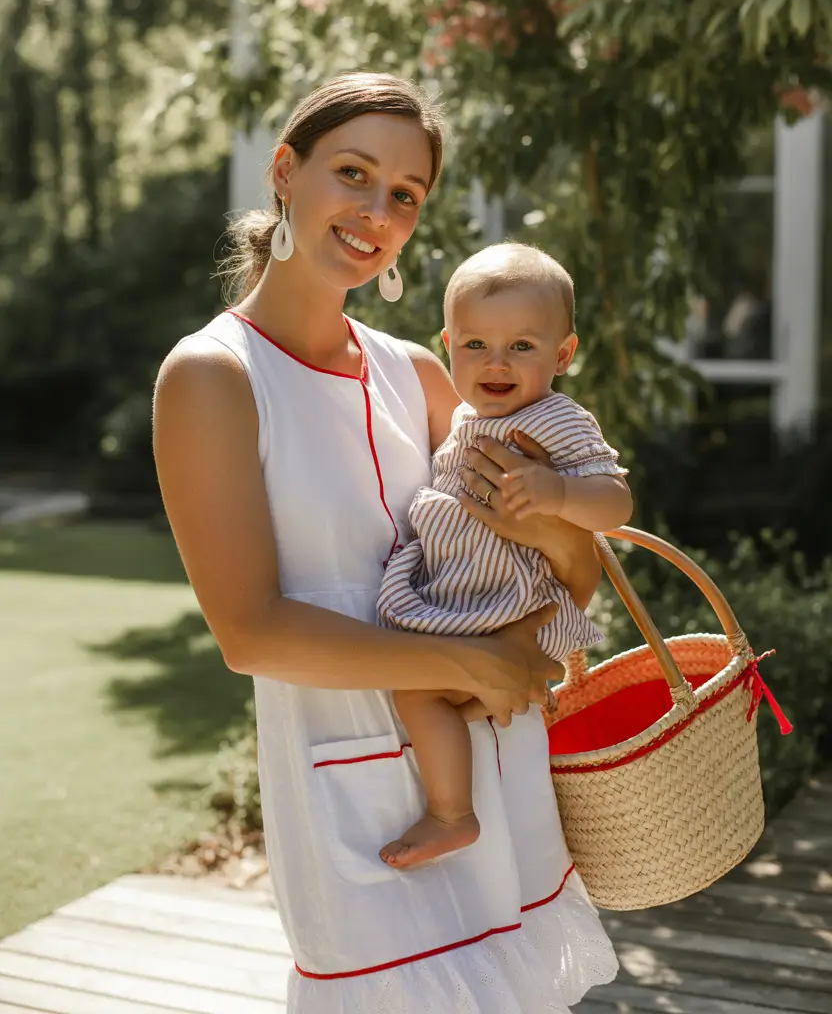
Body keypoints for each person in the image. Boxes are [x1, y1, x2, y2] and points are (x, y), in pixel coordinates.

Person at [153, 72, 619, 1012]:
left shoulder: (423, 374)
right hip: (353, 818)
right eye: (354, 173)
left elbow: (573, 567)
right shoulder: (213, 377)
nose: (376, 212)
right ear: (286, 171)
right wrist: (476, 662)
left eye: (404, 196)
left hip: (495, 779)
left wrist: (532, 606)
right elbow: (251, 634)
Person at [378, 244, 632, 869]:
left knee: (416, 691)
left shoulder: (556, 420)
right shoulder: (463, 416)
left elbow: (616, 504)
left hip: (511, 605)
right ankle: (463, 800)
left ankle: (450, 815)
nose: (496, 362)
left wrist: (562, 492)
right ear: (447, 343)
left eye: (522, 346)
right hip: (467, 602)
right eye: (475, 346)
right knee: (430, 695)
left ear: (563, 355)